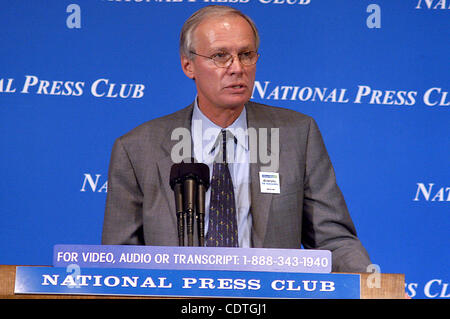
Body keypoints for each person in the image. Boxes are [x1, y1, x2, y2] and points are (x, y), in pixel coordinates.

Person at [102, 5, 372, 272]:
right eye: (220, 56)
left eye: (246, 54)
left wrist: (376, 286)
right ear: (188, 65)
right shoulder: (137, 149)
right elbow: (119, 258)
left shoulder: (297, 135)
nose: (237, 68)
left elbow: (333, 241)